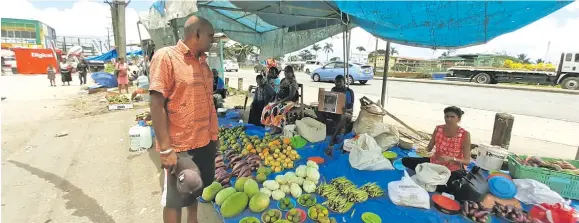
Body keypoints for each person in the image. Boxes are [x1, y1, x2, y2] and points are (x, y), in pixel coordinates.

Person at [149, 15, 217, 223]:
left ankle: (193, 220)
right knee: (175, 198)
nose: (213, 41)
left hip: (204, 141)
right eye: (210, 36)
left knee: (194, 187)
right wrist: (167, 149)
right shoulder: (166, 58)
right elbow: (156, 104)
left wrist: (214, 137)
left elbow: (209, 104)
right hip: (179, 145)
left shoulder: (204, 65)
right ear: (196, 33)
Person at [401, 106, 472, 193]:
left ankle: (428, 177)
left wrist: (451, 158)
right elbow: (429, 148)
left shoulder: (465, 134)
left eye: (452, 117)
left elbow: (467, 161)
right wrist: (423, 150)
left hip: (451, 168)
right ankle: (431, 178)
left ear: (459, 119)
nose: (449, 119)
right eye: (446, 116)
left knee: (451, 188)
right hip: (434, 163)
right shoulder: (438, 129)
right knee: (405, 160)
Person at [316, 75, 355, 155]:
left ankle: (333, 138)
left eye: (340, 82)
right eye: (336, 82)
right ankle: (326, 129)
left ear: (344, 82)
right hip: (333, 111)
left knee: (342, 116)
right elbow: (330, 103)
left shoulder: (349, 92)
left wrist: (346, 110)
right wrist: (323, 103)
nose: (338, 84)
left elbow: (351, 109)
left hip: (346, 113)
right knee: (317, 110)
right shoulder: (333, 90)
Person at [261, 65, 299, 132]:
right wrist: (276, 100)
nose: (286, 73)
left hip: (291, 101)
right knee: (267, 107)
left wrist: (280, 102)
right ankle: (270, 125)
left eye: (288, 72)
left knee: (277, 108)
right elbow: (279, 91)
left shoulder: (293, 82)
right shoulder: (283, 80)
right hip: (281, 99)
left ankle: (278, 128)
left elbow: (291, 96)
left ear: (292, 73)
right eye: (285, 71)